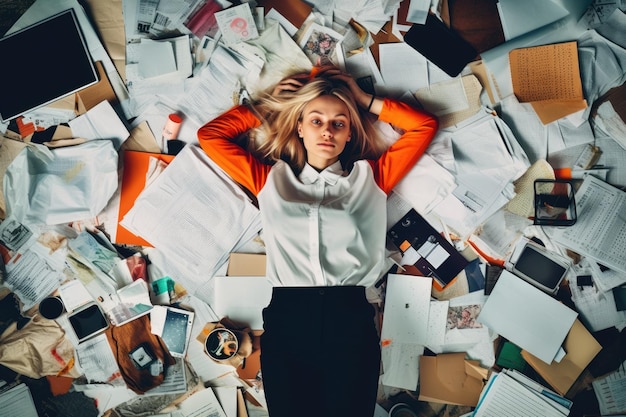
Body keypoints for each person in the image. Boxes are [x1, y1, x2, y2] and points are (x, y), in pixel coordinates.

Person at [197, 66, 438, 417]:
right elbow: (211, 136)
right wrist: (273, 104)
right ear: (299, 126)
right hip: (289, 320)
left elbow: (424, 126)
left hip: (350, 319)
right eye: (316, 120)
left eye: (339, 122)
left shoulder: (371, 178)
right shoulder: (271, 180)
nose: (327, 130)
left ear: (349, 132)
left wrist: (363, 99)